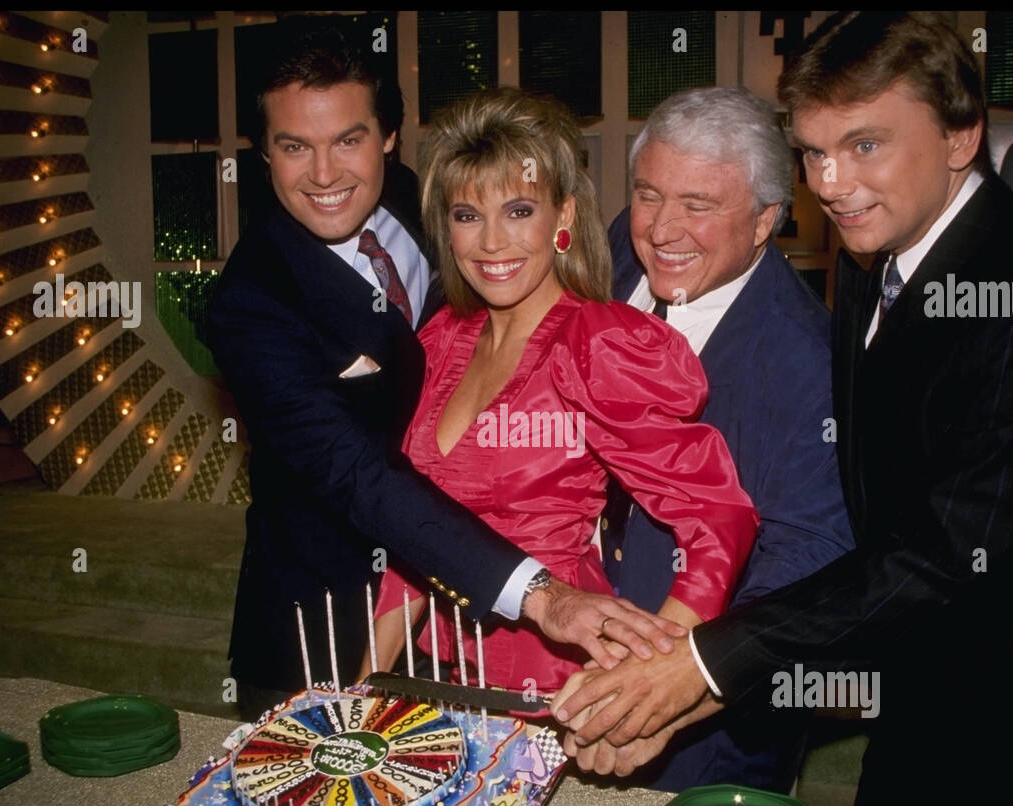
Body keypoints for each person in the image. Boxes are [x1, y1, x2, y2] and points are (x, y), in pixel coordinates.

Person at [555, 11, 1013, 806]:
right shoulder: (885, 255)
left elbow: (937, 555)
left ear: (962, 135)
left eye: (866, 145)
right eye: (815, 152)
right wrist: (695, 688)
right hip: (917, 694)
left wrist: (704, 669)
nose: (830, 182)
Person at [198, 18, 685, 721]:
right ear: (263, 154)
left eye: (349, 140)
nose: (327, 174)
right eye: (294, 147)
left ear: (390, 137)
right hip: (330, 625)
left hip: (470, 639)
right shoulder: (250, 305)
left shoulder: (422, 202)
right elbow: (360, 475)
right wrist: (541, 593)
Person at [359, 87, 758, 697]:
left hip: (556, 684)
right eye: (468, 215)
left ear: (564, 218)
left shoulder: (596, 345)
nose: (492, 242)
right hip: (442, 678)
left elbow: (720, 519)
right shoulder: (442, 341)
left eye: (519, 210)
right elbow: (417, 529)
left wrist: (656, 676)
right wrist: (359, 691)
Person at [599, 86, 854, 793]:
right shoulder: (624, 243)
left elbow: (809, 555)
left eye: (699, 206)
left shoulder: (812, 364)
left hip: (706, 734)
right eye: (650, 195)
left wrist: (683, 679)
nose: (663, 230)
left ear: (766, 220)